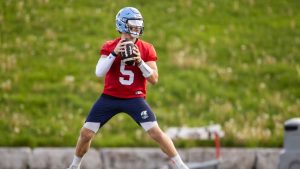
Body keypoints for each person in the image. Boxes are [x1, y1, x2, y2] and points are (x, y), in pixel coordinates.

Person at [68, 7, 189, 169]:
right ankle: (74, 166)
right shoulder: (110, 46)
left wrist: (139, 61)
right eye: (133, 25)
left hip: (134, 98)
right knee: (86, 133)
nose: (137, 29)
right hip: (109, 97)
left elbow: (154, 79)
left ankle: (181, 166)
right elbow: (99, 72)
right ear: (122, 25)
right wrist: (113, 54)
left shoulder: (146, 48)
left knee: (155, 132)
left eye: (139, 25)